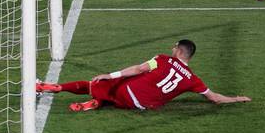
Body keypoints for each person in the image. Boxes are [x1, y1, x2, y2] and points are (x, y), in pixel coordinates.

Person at [36, 39, 251, 112]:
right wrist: (236, 98)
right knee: (123, 93)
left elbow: (138, 69)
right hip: (141, 106)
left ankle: (50, 87)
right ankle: (98, 102)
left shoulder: (163, 59)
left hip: (127, 92)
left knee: (96, 82)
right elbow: (213, 98)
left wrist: (109, 75)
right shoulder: (192, 79)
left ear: (178, 50)